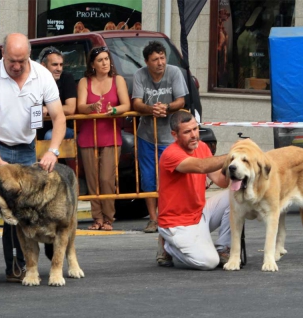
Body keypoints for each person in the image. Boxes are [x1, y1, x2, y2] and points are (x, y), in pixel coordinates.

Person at [0, 33, 66, 287]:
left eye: (22, 61)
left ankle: (17, 266)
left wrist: (52, 150)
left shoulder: (42, 75)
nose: (17, 66)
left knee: (22, 212)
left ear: (29, 57)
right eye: (12, 61)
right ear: (2, 54)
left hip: (26, 149)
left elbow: (59, 117)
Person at [157, 110, 231, 270]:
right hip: (177, 223)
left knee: (237, 196)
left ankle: (223, 249)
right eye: (187, 132)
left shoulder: (202, 147)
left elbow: (221, 181)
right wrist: (235, 153)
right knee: (209, 263)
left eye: (195, 129)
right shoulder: (170, 154)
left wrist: (239, 169)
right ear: (174, 135)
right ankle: (168, 244)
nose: (194, 135)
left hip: (200, 214)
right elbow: (201, 166)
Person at [132, 41, 189, 233]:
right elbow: (137, 103)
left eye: (162, 57)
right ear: (147, 61)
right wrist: (151, 109)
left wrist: (166, 107)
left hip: (170, 136)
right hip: (146, 135)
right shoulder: (140, 75)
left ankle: (170, 216)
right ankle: (153, 219)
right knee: (148, 178)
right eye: (155, 59)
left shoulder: (174, 72)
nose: (160, 62)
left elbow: (181, 100)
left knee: (171, 177)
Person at [76, 46, 130, 231]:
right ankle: (97, 218)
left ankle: (108, 218)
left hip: (111, 135)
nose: (105, 63)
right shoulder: (85, 81)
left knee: (107, 178)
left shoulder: (118, 80)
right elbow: (80, 107)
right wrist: (92, 107)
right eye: (100, 60)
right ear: (93, 64)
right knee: (92, 180)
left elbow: (126, 105)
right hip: (88, 136)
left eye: (107, 59)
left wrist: (114, 110)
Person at [36, 46, 77, 141]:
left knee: (49, 136)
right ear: (43, 65)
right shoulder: (34, 80)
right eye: (55, 65)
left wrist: (47, 108)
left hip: (63, 128)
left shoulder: (66, 77)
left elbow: (70, 108)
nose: (59, 68)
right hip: (37, 130)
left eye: (61, 65)